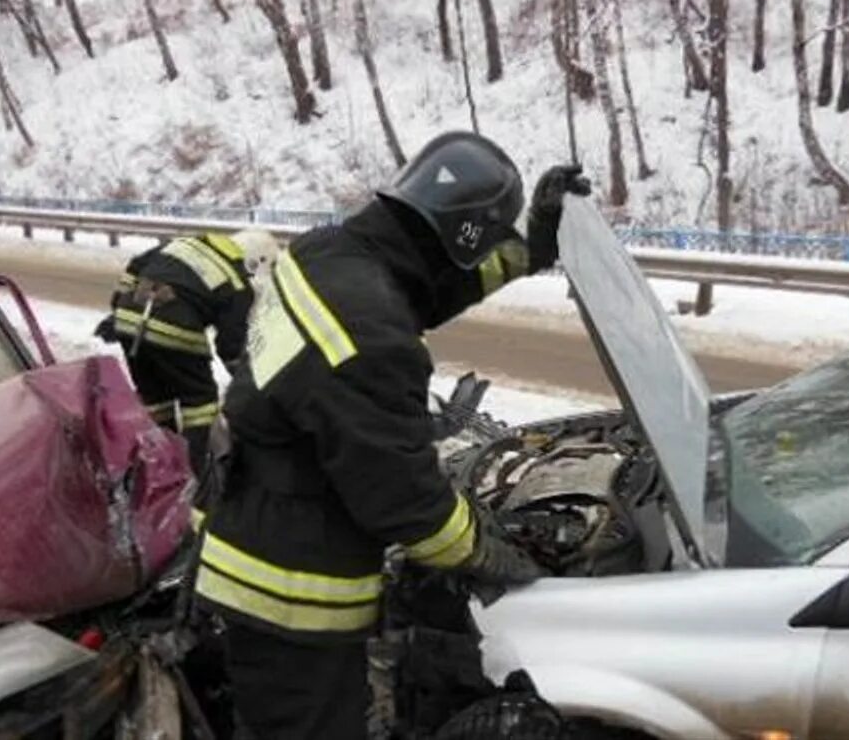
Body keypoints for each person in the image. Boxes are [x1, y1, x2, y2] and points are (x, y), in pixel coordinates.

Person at [195, 131, 591, 739]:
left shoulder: (328, 252)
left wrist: (535, 242)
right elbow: (412, 508)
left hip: (251, 521)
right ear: (460, 235)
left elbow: (431, 281)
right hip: (291, 594)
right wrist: (494, 554)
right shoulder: (371, 336)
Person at [97, 228, 278, 478]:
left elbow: (136, 265)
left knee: (156, 400)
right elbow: (231, 347)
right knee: (199, 404)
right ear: (255, 261)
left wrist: (120, 306)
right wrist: (249, 381)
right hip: (174, 331)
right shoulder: (237, 283)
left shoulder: (185, 244)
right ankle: (197, 478)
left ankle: (154, 471)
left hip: (128, 322)